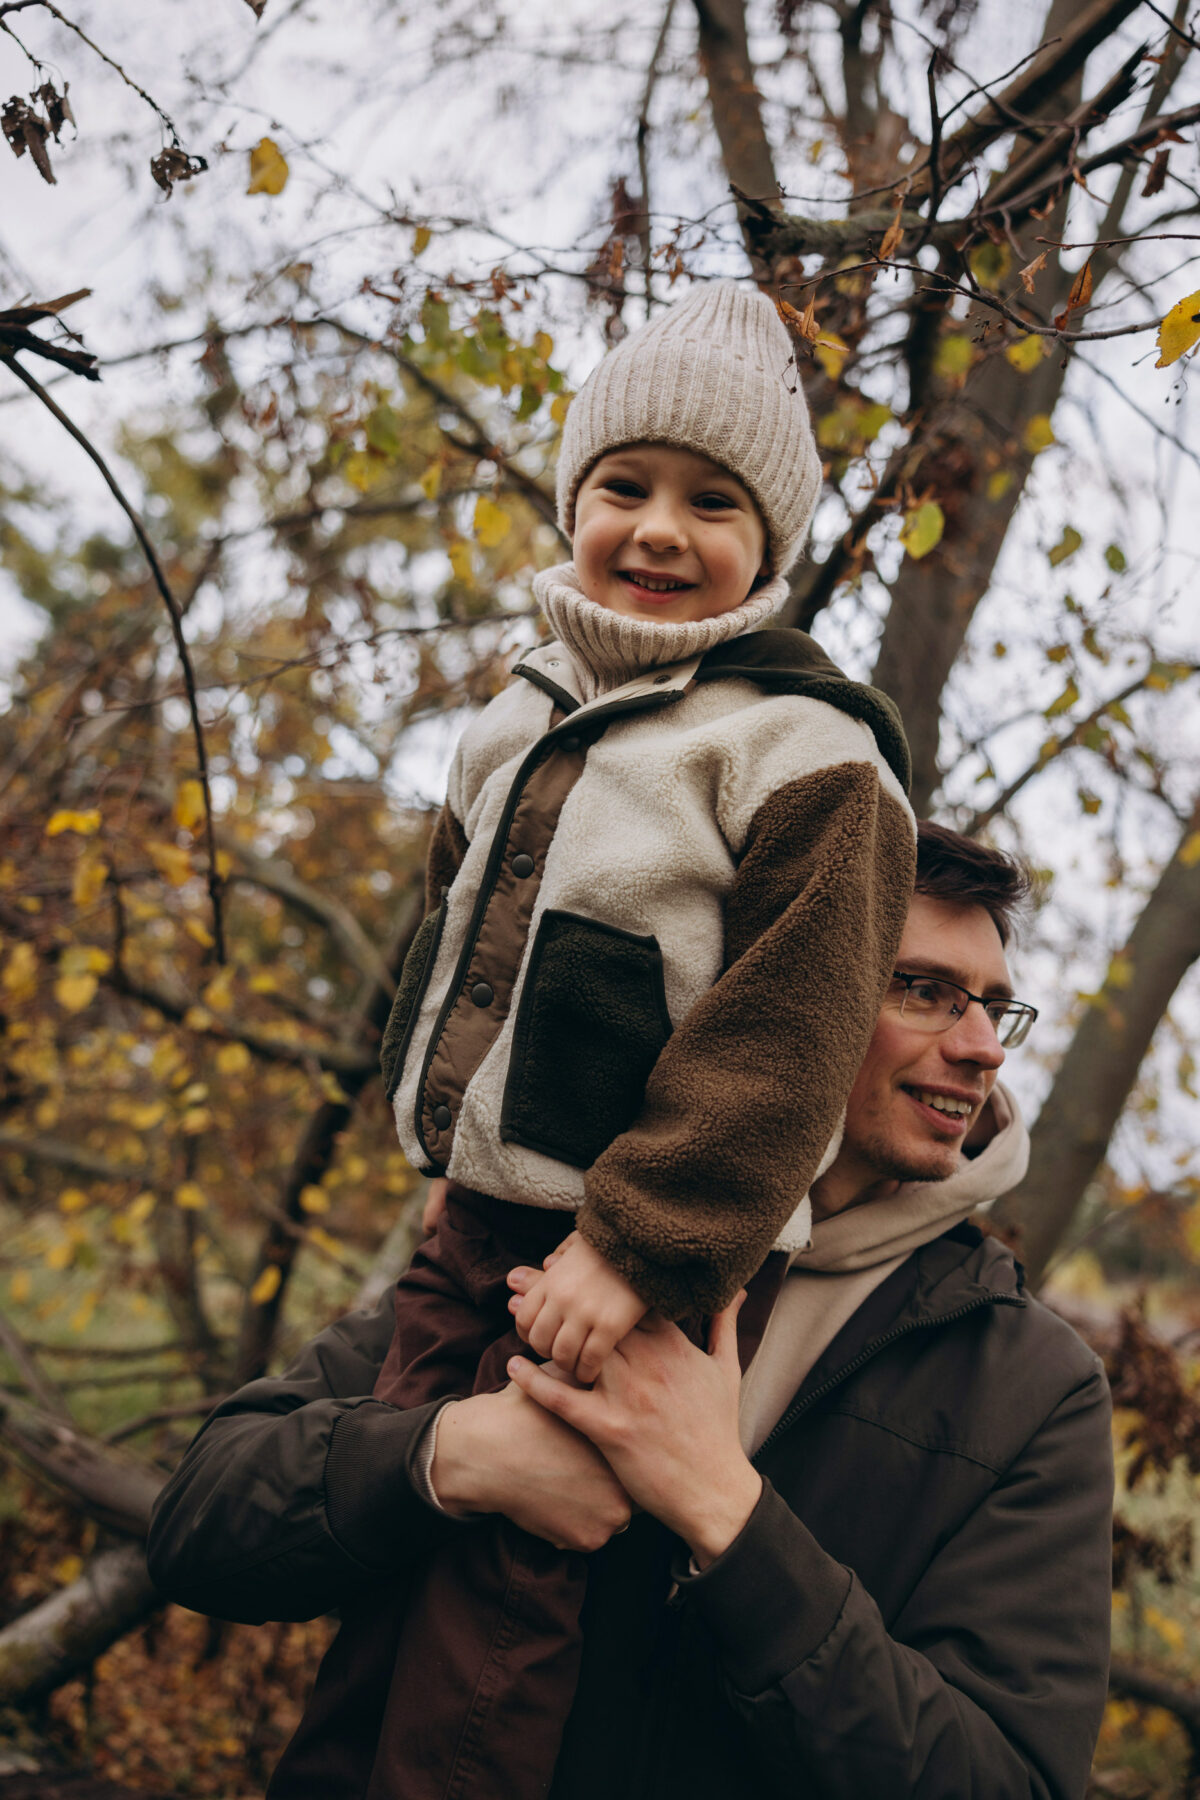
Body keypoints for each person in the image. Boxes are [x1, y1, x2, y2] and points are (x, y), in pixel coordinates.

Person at [147, 823, 1114, 1800]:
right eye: (924, 990)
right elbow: (201, 1525)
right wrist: (449, 1457)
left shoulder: (1031, 1385)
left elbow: (1009, 1781)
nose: (985, 1048)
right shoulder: (573, 1237)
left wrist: (724, 1515)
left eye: (997, 1007)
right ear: (792, 1000)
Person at [345, 278, 915, 1796]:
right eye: (626, 488)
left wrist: (639, 1242)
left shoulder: (799, 744)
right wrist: (448, 1143)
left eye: (712, 502)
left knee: (508, 1602)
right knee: (398, 1522)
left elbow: (788, 1034)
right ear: (573, 500)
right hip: (475, 1226)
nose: (660, 529)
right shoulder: (514, 719)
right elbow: (454, 952)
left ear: (769, 545)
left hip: (632, 1265)